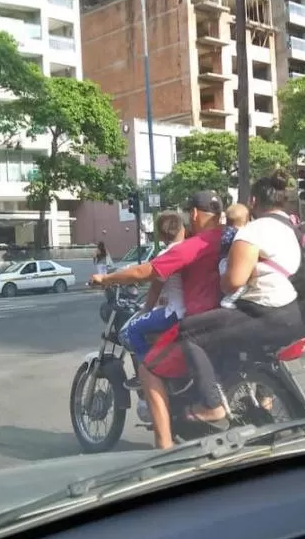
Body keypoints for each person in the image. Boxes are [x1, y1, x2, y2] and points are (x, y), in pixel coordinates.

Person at [178, 170, 305, 424]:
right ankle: (253, 394)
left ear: (253, 202)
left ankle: (213, 405)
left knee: (190, 332)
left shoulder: (252, 231)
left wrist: (224, 278)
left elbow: (233, 282)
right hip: (296, 314)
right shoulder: (291, 229)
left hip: (265, 314)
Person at [89, 191, 225, 449]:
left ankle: (163, 446)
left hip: (189, 316)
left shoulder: (192, 246)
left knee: (140, 353)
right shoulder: (229, 237)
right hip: (222, 312)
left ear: (194, 215)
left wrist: (106, 279)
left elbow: (147, 274)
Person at [117, 212, 187, 371]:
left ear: (161, 235)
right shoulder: (190, 248)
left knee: (133, 329)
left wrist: (145, 309)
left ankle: (148, 372)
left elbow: (155, 288)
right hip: (186, 307)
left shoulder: (167, 255)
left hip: (175, 311)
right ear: (182, 229)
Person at [219, 203, 251, 309]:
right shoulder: (236, 233)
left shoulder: (226, 231)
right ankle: (228, 300)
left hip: (225, 262)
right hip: (227, 261)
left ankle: (229, 298)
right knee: (240, 285)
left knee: (230, 284)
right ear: (246, 221)